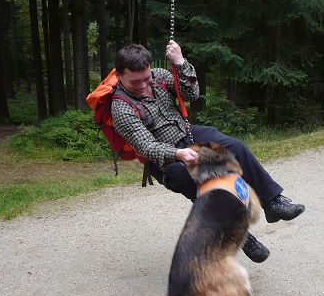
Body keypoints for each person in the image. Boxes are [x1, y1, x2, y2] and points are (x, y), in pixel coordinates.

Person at [111, 40, 305, 263]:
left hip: (189, 134)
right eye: (136, 82)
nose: (145, 85)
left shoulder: (160, 76)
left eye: (147, 78)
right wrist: (179, 154)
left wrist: (181, 63)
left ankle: (273, 202)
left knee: (236, 147)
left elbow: (191, 94)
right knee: (191, 180)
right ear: (119, 75)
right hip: (166, 159)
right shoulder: (121, 107)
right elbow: (147, 146)